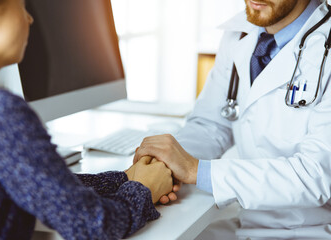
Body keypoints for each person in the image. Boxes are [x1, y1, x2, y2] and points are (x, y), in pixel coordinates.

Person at [0, 0, 174, 239]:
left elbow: (45, 185)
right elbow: (92, 226)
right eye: (23, 6)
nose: (30, 19)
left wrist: (125, 178)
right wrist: (145, 189)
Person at [134, 0, 331, 239]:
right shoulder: (240, 33)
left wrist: (197, 171)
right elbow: (211, 125)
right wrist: (165, 164)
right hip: (246, 220)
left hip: (310, 230)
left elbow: (316, 175)